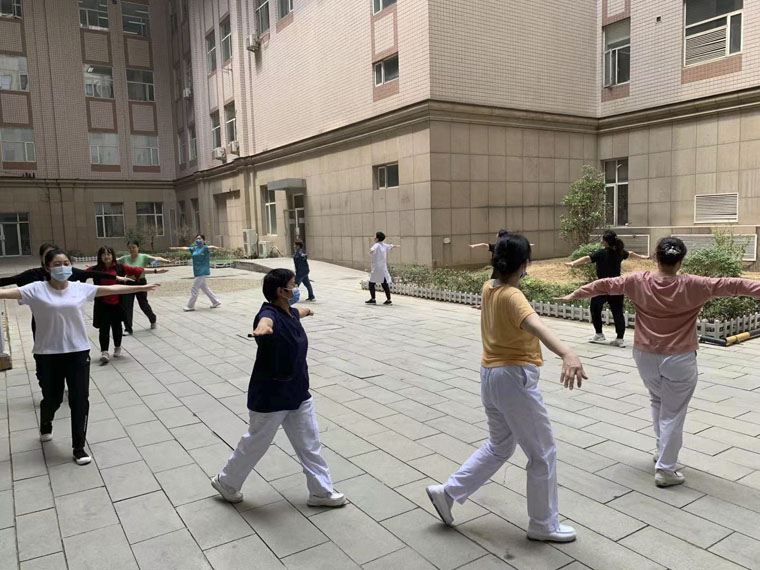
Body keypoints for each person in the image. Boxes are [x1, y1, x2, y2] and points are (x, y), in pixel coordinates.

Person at [558, 237, 760, 488]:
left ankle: (661, 450)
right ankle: (665, 469)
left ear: (656, 258)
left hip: (645, 355)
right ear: (681, 261)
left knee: (658, 401)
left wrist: (575, 294)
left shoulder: (637, 281)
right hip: (679, 358)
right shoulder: (696, 285)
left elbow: (605, 284)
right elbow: (735, 285)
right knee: (673, 413)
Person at [426, 234, 586, 542]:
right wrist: (567, 353)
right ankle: (543, 524)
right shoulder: (513, 296)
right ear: (524, 264)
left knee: (500, 446)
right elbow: (536, 325)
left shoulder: (489, 287)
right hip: (513, 378)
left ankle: (447, 493)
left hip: (491, 376)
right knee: (542, 453)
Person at [0, 248, 159, 465]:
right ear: (47, 267)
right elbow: (4, 293)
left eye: (66, 263)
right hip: (48, 354)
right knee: (53, 398)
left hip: (78, 352)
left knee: (80, 399)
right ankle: (46, 422)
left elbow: (108, 288)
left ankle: (79, 447)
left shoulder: (78, 288)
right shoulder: (35, 289)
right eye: (57, 264)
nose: (63, 268)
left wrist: (140, 287)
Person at [211, 268, 346, 507]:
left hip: (298, 392)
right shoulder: (268, 314)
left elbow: (298, 311)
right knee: (256, 443)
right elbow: (266, 322)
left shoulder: (290, 312)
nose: (296, 288)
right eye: (293, 285)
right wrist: (262, 329)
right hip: (271, 395)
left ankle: (321, 492)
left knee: (310, 443)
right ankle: (226, 482)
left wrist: (308, 311)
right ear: (281, 291)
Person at [564, 230, 649, 347]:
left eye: (603, 240)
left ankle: (599, 334)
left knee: (595, 308)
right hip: (617, 286)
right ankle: (619, 339)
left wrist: (573, 263)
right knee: (617, 312)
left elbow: (587, 258)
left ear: (606, 242)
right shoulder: (619, 252)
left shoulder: (602, 253)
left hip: (602, 286)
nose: (602, 242)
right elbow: (631, 253)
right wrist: (643, 257)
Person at [87, 246, 145, 364]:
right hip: (102, 304)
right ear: (100, 257)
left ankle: (117, 347)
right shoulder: (96, 269)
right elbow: (81, 274)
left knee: (117, 326)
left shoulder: (120, 268)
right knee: (104, 328)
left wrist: (155, 271)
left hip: (117, 303)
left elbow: (135, 270)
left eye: (108, 254)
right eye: (103, 254)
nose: (106, 256)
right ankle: (104, 352)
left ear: (112, 255)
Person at [117, 241, 170, 333]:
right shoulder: (125, 258)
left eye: (133, 247)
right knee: (127, 305)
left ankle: (152, 318)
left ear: (138, 248)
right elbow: (113, 261)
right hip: (129, 283)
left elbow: (155, 258)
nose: (131, 249)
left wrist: (167, 261)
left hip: (141, 282)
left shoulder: (143, 257)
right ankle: (128, 328)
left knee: (143, 304)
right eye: (129, 248)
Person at [169, 234, 221, 311]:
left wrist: (217, 248)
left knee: (194, 288)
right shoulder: (194, 248)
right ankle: (215, 301)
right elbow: (185, 248)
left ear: (204, 240)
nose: (198, 240)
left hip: (202, 271)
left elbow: (211, 247)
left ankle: (190, 306)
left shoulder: (205, 248)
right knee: (204, 288)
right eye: (197, 239)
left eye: (200, 239)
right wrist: (176, 248)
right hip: (197, 270)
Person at [366, 231, 398, 305]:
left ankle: (373, 299)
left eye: (375, 236)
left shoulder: (377, 245)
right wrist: (396, 246)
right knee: (384, 284)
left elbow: (372, 249)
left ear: (377, 238)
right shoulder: (383, 245)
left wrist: (370, 251)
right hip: (382, 267)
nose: (374, 237)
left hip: (377, 268)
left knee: (371, 284)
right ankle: (388, 300)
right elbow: (390, 246)